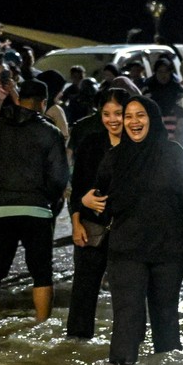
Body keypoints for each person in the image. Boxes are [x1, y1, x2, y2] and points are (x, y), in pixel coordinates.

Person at [89, 96, 183, 365]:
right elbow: (100, 200)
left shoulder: (173, 154)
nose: (134, 121)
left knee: (166, 318)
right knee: (128, 318)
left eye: (140, 115)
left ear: (152, 119)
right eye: (129, 116)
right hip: (126, 252)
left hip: (167, 251)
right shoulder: (115, 158)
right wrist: (87, 203)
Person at [0, 79, 68, 328]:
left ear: (20, 98)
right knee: (41, 273)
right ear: (43, 103)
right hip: (36, 209)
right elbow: (58, 177)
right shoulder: (50, 131)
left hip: (0, 208)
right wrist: (47, 200)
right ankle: (41, 325)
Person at [67, 87, 129, 339]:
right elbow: (77, 187)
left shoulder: (138, 145)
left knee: (127, 292)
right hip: (91, 227)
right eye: (106, 113)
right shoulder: (90, 144)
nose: (113, 120)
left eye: (119, 113)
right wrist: (76, 223)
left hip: (127, 229)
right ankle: (75, 345)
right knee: (83, 290)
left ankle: (126, 344)